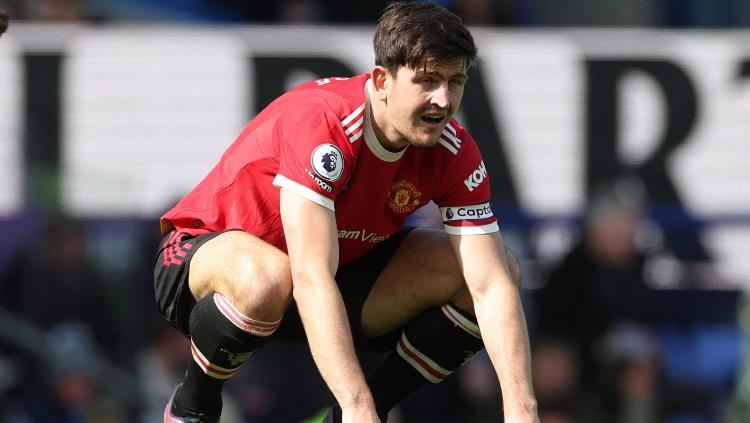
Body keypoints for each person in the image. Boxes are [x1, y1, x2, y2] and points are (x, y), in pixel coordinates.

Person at [154, 2, 538, 422]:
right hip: (202, 265)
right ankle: (193, 405)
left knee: (504, 268)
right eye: (427, 81)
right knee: (269, 278)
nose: (443, 100)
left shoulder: (452, 149)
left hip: (321, 283)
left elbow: (490, 285)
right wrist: (358, 404)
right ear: (382, 80)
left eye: (455, 81)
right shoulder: (326, 122)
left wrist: (521, 410)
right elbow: (309, 273)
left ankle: (357, 413)